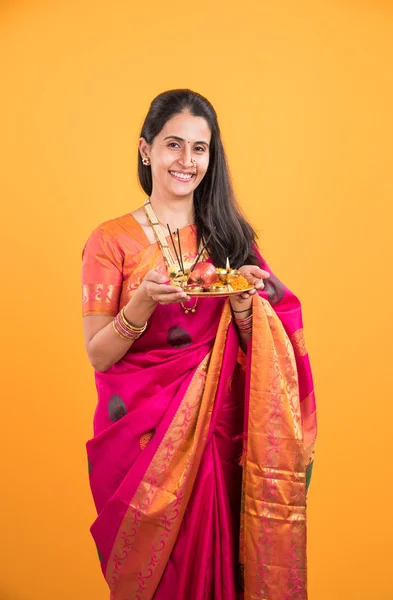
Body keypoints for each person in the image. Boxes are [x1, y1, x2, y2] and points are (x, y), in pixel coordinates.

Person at [81, 89, 317, 600]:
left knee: (225, 567)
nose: (186, 161)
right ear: (146, 151)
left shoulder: (230, 238)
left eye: (199, 148)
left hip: (222, 434)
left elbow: (267, 352)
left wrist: (243, 306)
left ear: (211, 157)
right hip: (143, 440)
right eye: (173, 145)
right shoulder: (111, 241)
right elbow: (98, 353)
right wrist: (141, 302)